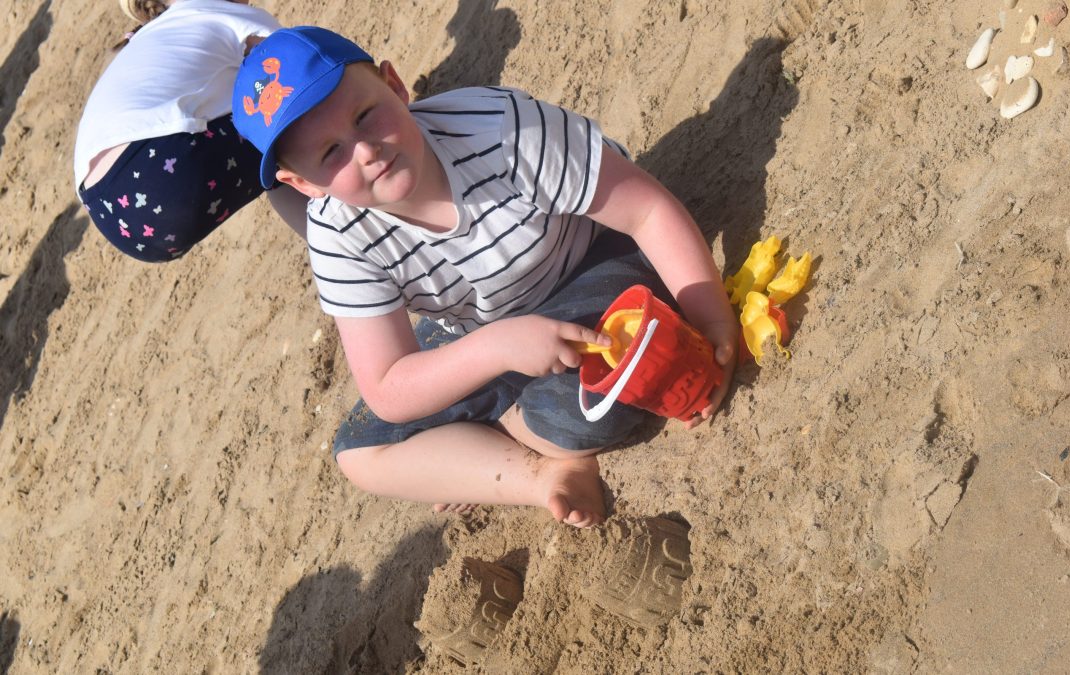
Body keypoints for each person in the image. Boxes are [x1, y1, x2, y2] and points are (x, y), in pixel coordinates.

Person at [231, 26, 739, 527]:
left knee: (608, 391)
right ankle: (539, 477)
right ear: (303, 184)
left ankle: (495, 442)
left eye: (365, 116)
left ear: (394, 85)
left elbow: (646, 212)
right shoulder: (337, 236)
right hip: (484, 327)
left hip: (587, 264)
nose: (365, 151)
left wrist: (713, 321)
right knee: (360, 453)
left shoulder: (497, 128)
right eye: (330, 154)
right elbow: (386, 384)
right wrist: (496, 348)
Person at [73, 0, 307, 263]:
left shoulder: (152, 38)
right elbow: (301, 60)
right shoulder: (212, 9)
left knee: (270, 156)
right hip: (159, 167)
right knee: (289, 111)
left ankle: (331, 251)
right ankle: (338, 233)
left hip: (111, 219)